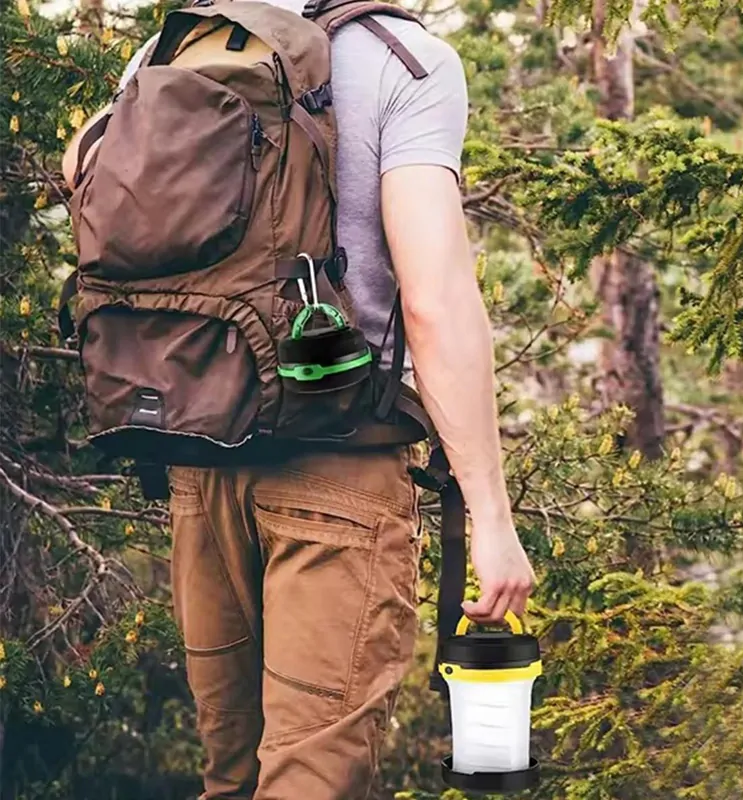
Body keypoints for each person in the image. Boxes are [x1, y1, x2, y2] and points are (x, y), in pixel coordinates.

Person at [62, 1, 535, 797]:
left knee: (231, 779)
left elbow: (82, 174)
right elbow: (435, 302)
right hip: (339, 472)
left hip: (199, 457)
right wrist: (490, 516)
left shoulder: (172, 46)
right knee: (311, 781)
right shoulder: (404, 58)